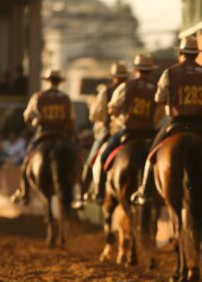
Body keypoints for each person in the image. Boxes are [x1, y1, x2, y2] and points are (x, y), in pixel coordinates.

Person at [131, 36, 202, 205]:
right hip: (199, 124)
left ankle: (145, 189)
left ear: (180, 52)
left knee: (151, 155)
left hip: (176, 124)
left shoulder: (169, 73)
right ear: (196, 54)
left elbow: (160, 98)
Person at [93, 54, 160, 204]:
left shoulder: (126, 86)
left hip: (128, 131)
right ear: (150, 71)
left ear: (136, 69)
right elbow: (160, 113)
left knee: (103, 157)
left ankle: (99, 193)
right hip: (150, 132)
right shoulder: (156, 87)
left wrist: (119, 117)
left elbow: (112, 108)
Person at [10, 69, 76, 205]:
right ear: (59, 82)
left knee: (27, 161)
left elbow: (27, 116)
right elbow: (71, 118)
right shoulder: (65, 98)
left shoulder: (38, 97)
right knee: (77, 157)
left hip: (43, 134)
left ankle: (24, 193)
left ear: (47, 81)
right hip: (62, 135)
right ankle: (79, 192)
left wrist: (35, 123)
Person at [81, 62, 130, 200]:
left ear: (112, 76)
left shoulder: (107, 91)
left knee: (93, 160)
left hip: (111, 132)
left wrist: (104, 120)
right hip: (140, 131)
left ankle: (92, 192)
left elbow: (94, 115)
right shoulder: (132, 88)